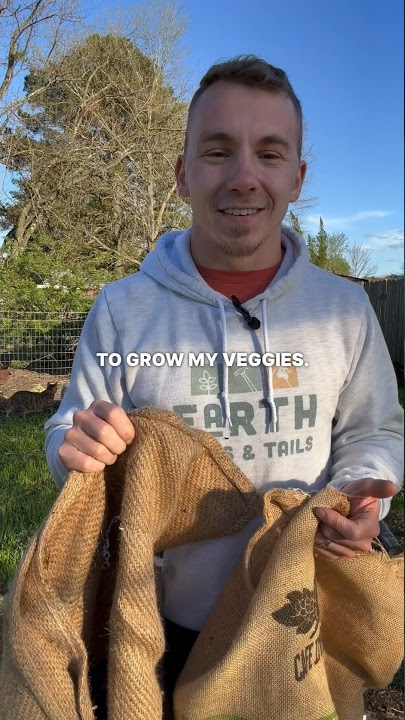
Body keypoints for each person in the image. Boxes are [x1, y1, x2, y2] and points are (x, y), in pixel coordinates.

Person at [44, 55, 403, 697]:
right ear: (182, 175)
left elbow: (374, 430)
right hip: (158, 628)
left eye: (269, 154)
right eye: (217, 151)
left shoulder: (344, 310)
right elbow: (69, 430)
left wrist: (360, 487)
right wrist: (71, 443)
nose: (243, 177)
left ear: (297, 177)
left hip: (298, 622)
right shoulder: (123, 310)